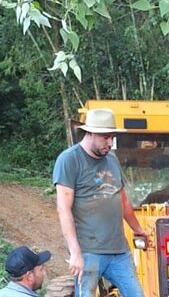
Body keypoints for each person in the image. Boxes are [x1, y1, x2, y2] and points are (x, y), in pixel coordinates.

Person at [52, 108, 146, 297]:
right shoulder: (69, 160)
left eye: (112, 137)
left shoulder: (111, 159)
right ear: (90, 133)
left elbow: (123, 200)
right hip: (88, 251)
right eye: (105, 138)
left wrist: (137, 229)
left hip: (119, 250)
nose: (110, 143)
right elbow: (64, 209)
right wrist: (75, 252)